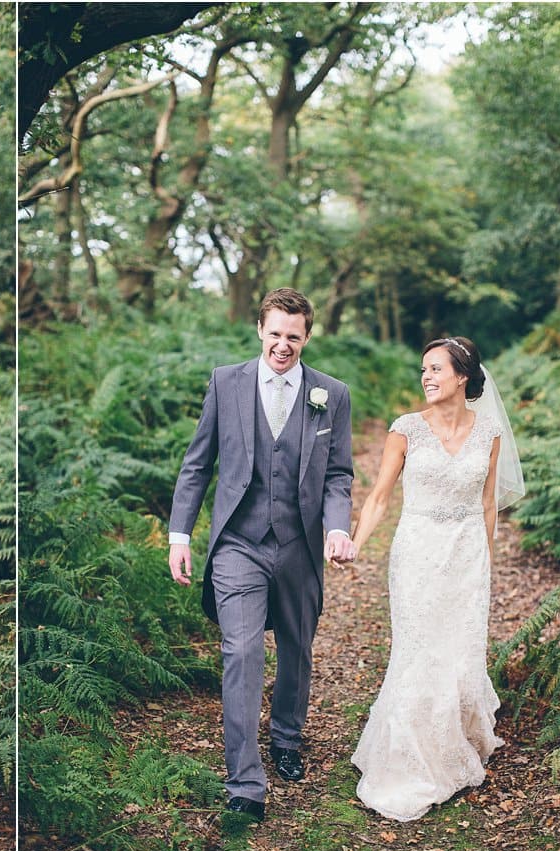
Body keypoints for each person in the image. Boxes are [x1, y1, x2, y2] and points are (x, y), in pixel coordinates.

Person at [167, 287, 356, 823]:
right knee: (242, 652)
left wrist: (337, 527)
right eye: (274, 333)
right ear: (259, 330)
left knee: (297, 649)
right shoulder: (227, 382)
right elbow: (198, 464)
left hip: (298, 544)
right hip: (237, 543)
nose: (282, 345)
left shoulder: (331, 394)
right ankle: (245, 780)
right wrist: (180, 535)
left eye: (293, 336)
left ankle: (287, 739)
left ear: (307, 337)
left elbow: (340, 473)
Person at [344, 336, 523, 821]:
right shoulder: (405, 430)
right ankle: (407, 758)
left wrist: (485, 561)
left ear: (462, 376)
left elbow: (488, 504)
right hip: (418, 552)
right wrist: (356, 544)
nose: (426, 377)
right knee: (419, 650)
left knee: (459, 654)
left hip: (467, 557)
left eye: (435, 369)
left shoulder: (488, 432)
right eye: (423, 369)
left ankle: (452, 741)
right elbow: (380, 497)